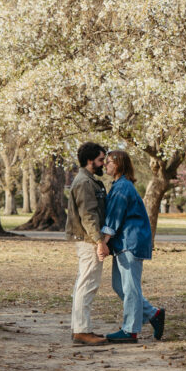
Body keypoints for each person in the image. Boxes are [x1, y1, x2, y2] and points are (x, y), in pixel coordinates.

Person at [99, 149, 166, 343]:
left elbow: (113, 220)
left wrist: (102, 243)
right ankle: (153, 314)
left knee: (130, 287)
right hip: (123, 244)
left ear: (118, 164)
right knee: (120, 286)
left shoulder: (123, 188)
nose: (105, 165)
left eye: (109, 162)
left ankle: (130, 330)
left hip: (130, 242)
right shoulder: (119, 186)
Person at [65, 141, 109, 346]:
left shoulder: (88, 180)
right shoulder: (84, 182)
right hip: (88, 240)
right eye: (101, 160)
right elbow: (88, 215)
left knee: (84, 283)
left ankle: (80, 328)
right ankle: (82, 331)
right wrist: (100, 241)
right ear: (90, 161)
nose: (104, 163)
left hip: (88, 239)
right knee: (88, 284)